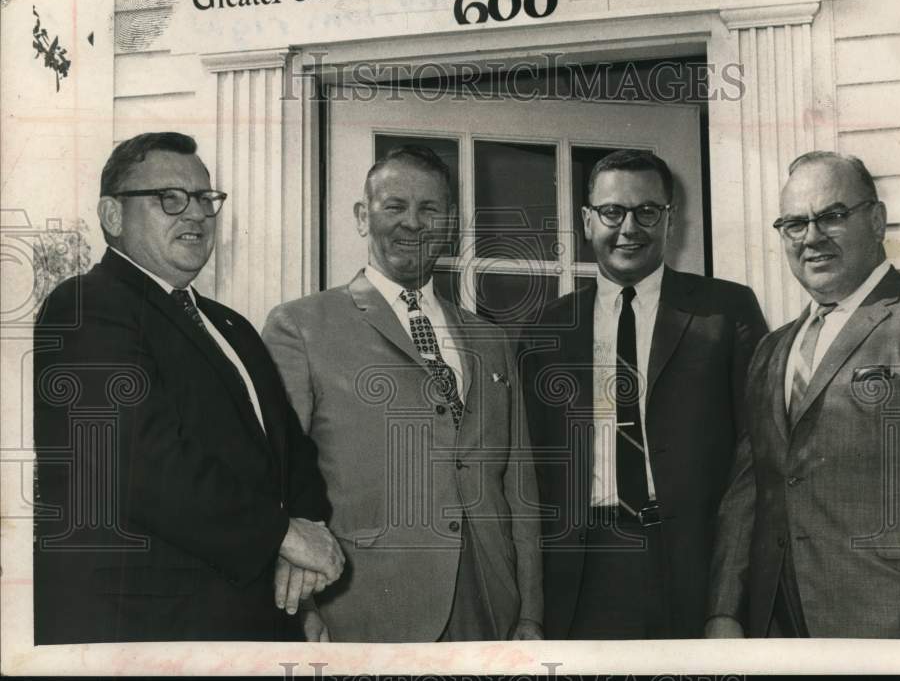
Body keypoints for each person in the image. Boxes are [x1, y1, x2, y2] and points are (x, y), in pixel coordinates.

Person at [33, 132, 343, 644]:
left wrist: (300, 582)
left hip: (255, 619)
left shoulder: (232, 326)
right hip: (143, 633)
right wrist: (283, 536)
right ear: (113, 216)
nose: (195, 214)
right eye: (170, 199)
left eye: (205, 199)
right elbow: (133, 460)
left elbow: (294, 455)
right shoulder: (86, 306)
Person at [262, 144, 542, 642]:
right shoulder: (301, 327)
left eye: (429, 209)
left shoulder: (491, 339)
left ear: (450, 223)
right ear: (362, 216)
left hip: (489, 602)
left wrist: (530, 612)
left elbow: (519, 487)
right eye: (394, 206)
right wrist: (301, 612)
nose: (412, 223)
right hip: (362, 605)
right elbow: (276, 479)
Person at [706, 151, 900, 639]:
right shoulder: (772, 348)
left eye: (831, 216)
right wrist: (724, 611)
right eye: (793, 224)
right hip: (777, 627)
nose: (811, 237)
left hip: (892, 624)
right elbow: (749, 490)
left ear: (876, 220)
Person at [519, 149, 768, 639]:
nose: (629, 227)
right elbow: (529, 476)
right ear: (587, 221)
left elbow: (756, 462)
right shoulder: (546, 329)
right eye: (612, 212)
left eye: (647, 211)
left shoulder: (727, 312)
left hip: (695, 566)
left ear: (670, 221)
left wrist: (729, 601)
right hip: (583, 570)